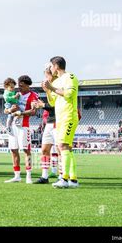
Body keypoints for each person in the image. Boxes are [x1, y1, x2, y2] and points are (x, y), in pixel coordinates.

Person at [42, 56, 80, 189]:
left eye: (51, 66)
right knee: (67, 147)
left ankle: (64, 178)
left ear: (56, 66)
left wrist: (51, 88)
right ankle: (73, 180)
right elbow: (52, 102)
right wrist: (48, 91)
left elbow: (69, 94)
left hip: (69, 116)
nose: (50, 69)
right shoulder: (57, 82)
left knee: (62, 146)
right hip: (60, 118)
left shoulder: (70, 77)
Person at [4, 75, 38, 184]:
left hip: (24, 126)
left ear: (28, 85)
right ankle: (17, 176)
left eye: (22, 86)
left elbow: (34, 112)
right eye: (19, 86)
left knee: (26, 151)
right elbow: (6, 110)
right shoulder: (15, 94)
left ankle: (28, 176)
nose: (20, 88)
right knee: (13, 150)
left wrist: (21, 112)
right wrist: (10, 110)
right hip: (13, 126)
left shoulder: (33, 95)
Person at [32, 65, 60, 183]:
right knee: (44, 149)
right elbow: (51, 105)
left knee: (60, 150)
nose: (45, 79)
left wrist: (42, 105)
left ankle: (62, 176)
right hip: (49, 122)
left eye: (47, 75)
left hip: (58, 122)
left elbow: (56, 106)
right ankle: (44, 176)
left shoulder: (58, 87)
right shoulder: (51, 88)